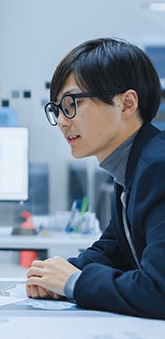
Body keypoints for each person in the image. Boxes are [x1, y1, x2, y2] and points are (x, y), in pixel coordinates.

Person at [26, 37, 165, 318]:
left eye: (71, 103)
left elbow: (158, 290)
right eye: (57, 109)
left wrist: (72, 281)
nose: (63, 121)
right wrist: (57, 273)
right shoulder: (132, 167)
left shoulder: (157, 168)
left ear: (126, 104)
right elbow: (113, 249)